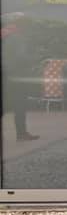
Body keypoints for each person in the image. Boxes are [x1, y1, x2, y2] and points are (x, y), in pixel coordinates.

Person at [0, 12, 38, 141]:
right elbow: (21, 57)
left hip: (6, 75)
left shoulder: (5, 35)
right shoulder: (17, 37)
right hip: (17, 76)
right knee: (20, 104)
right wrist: (33, 60)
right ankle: (21, 134)